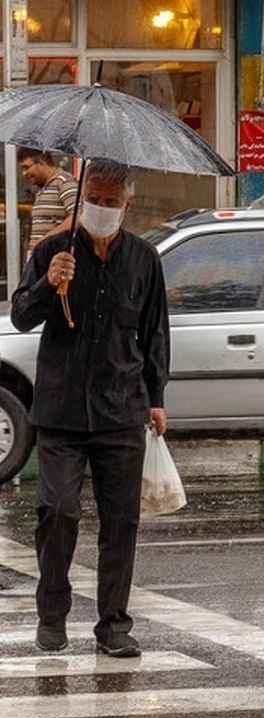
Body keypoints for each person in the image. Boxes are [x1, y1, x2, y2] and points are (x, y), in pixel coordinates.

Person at [10, 159, 170, 658]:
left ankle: (113, 626)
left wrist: (157, 397)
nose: (101, 209)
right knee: (56, 511)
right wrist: (46, 283)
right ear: (80, 201)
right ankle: (52, 615)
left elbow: (155, 333)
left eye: (110, 201)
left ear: (126, 205)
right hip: (60, 412)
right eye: (93, 199)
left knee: (120, 522)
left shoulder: (144, 260)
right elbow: (19, 317)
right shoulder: (53, 252)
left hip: (122, 410)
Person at [17, 147, 78, 258]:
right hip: (41, 261)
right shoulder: (43, 188)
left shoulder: (63, 182)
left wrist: (46, 239)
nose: (24, 173)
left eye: (26, 167)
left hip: (55, 262)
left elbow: (78, 217)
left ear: (41, 163)